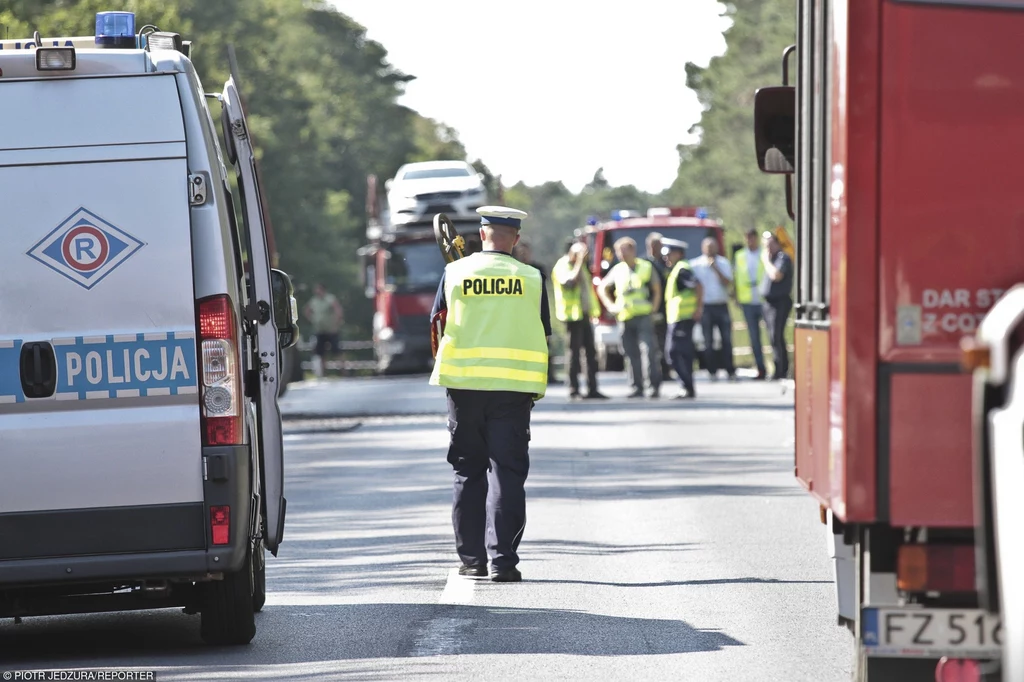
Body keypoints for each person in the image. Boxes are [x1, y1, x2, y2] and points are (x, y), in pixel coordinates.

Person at [429, 206, 551, 583]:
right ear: (515, 239)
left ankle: (472, 561)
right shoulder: (531, 278)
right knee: (507, 475)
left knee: (468, 472)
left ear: (481, 234)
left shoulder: (454, 272)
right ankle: (504, 562)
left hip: (464, 388)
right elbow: (543, 331)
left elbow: (436, 326)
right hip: (513, 390)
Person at [597, 237, 662, 398]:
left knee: (648, 351)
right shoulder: (618, 269)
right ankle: (636, 387)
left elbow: (656, 289)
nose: (621, 255)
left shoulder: (645, 267)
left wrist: (653, 309)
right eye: (619, 252)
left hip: (643, 315)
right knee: (630, 353)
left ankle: (652, 386)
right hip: (625, 317)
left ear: (633, 250)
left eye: (624, 251)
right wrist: (611, 306)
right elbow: (602, 288)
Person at [552, 239, 608, 400]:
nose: (584, 257)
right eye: (581, 254)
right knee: (573, 353)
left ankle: (593, 389)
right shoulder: (562, 265)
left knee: (591, 353)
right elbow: (570, 283)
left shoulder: (582, 266)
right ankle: (573, 389)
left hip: (583, 315)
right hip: (571, 316)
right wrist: (579, 263)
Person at [514, 239, 560, 386]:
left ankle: (549, 374)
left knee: (546, 344)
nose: (524, 255)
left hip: (536, 310)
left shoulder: (538, 269)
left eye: (526, 252)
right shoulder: (514, 269)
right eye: (521, 252)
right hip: (520, 313)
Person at [661, 239, 703, 399]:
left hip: (683, 319)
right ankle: (686, 387)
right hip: (677, 319)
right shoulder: (677, 269)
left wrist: (699, 309)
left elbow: (698, 286)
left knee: (675, 353)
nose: (666, 258)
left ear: (678, 254)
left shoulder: (682, 269)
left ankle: (687, 386)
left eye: (669, 254)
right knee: (677, 353)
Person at [689, 237, 736, 381]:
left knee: (726, 340)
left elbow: (728, 282)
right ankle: (711, 371)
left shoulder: (723, 262)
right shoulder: (695, 264)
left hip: (721, 305)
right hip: (706, 307)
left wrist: (716, 268)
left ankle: (730, 370)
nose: (710, 250)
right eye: (707, 247)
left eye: (712, 247)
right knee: (708, 341)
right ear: (703, 248)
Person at [733, 228, 768, 380]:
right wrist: (736, 297)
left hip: (763, 299)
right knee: (754, 337)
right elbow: (736, 277)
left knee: (772, 335)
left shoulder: (764, 253)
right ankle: (761, 368)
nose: (750, 241)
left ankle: (777, 366)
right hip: (747, 300)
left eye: (752, 238)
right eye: (747, 238)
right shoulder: (740, 255)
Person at [760, 231, 794, 381]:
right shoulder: (772, 258)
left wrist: (766, 262)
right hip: (768, 303)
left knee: (776, 336)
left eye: (771, 244)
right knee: (772, 337)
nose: (768, 247)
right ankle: (779, 367)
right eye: (766, 245)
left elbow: (776, 275)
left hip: (780, 302)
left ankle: (781, 369)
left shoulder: (782, 258)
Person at [644, 232, 672, 379]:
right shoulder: (644, 263)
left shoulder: (665, 263)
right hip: (651, 307)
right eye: (657, 245)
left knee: (665, 341)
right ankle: (655, 372)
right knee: (653, 342)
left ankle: (666, 370)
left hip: (665, 307)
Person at [303, 283, 343, 378]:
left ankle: (343, 372)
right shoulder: (314, 300)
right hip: (320, 330)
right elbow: (306, 310)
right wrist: (312, 319)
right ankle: (323, 374)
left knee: (337, 351)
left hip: (331, 330)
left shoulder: (330, 299)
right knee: (321, 353)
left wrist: (336, 323)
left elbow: (338, 310)